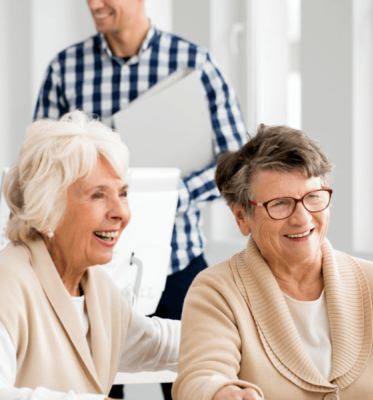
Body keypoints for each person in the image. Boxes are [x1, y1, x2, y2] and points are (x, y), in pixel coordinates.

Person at [173, 125, 373, 400]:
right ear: (242, 216)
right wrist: (222, 393)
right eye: (280, 203)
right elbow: (200, 377)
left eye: (314, 197)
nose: (302, 218)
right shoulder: (217, 291)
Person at [34, 3, 245, 397]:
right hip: (90, 268)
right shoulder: (65, 69)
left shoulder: (194, 64)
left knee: (199, 381)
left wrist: (171, 195)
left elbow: (236, 162)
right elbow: (40, 167)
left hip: (177, 262)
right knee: (88, 387)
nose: (94, 5)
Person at [0, 110, 180, 399]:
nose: (121, 213)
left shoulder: (96, 286)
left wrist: (236, 330)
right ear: (50, 207)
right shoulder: (7, 281)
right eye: (98, 195)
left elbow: (156, 342)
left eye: (123, 193)